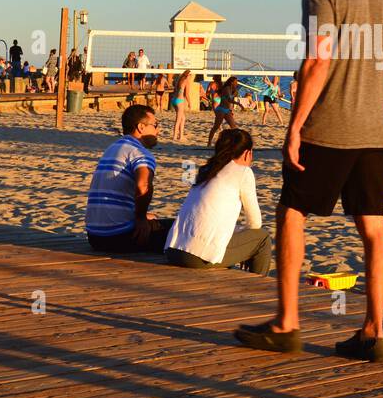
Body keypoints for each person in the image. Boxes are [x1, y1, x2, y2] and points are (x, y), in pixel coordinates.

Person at [235, 0, 383, 363]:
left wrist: (295, 126)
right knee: (373, 226)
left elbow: (318, 60)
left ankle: (287, 322)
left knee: (292, 211)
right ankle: (373, 331)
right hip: (378, 132)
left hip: (329, 126)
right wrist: (373, 107)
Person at [165, 128, 272, 275]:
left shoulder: (207, 169)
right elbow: (255, 223)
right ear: (248, 153)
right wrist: (244, 238)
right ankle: (256, 289)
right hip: (198, 256)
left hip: (173, 250)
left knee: (235, 239)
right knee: (262, 238)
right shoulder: (243, 172)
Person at [85, 104, 173, 253]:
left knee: (156, 222)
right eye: (155, 125)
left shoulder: (112, 149)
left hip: (95, 237)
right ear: (141, 127)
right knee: (181, 229)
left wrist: (141, 215)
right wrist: (140, 219)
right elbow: (143, 186)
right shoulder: (139, 153)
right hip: (120, 236)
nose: (158, 130)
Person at [207, 74, 238, 146]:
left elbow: (229, 101)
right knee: (216, 126)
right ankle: (209, 142)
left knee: (234, 127)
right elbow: (229, 99)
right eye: (236, 82)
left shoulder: (231, 89)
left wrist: (231, 110)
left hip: (227, 110)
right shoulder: (226, 88)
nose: (237, 83)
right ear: (232, 82)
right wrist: (240, 105)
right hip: (221, 109)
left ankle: (234, 143)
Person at [171, 69, 193, 142]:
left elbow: (175, 90)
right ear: (188, 75)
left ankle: (181, 136)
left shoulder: (179, 80)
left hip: (174, 99)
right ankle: (175, 136)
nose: (191, 77)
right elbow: (187, 94)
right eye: (191, 75)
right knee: (178, 119)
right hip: (179, 101)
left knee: (183, 118)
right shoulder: (187, 81)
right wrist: (190, 103)